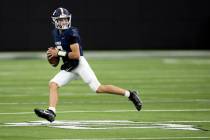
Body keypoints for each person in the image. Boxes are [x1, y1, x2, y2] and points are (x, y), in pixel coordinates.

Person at [34, 7, 142, 122]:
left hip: (79, 64)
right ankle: (51, 112)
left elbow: (76, 54)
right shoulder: (55, 33)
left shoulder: (72, 32)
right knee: (53, 84)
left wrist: (58, 52)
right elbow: (57, 60)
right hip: (69, 66)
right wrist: (53, 58)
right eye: (61, 20)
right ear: (55, 21)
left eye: (65, 19)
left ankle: (130, 94)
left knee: (98, 88)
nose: (64, 22)